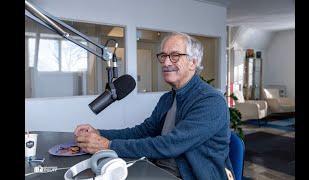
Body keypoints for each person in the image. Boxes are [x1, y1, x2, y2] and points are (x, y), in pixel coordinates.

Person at [74, 32, 235, 179]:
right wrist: (100, 133)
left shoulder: (211, 101)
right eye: (163, 56)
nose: (165, 62)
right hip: (158, 170)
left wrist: (107, 145)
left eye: (175, 56)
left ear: (193, 62)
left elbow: (171, 145)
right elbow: (143, 132)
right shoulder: (167, 99)